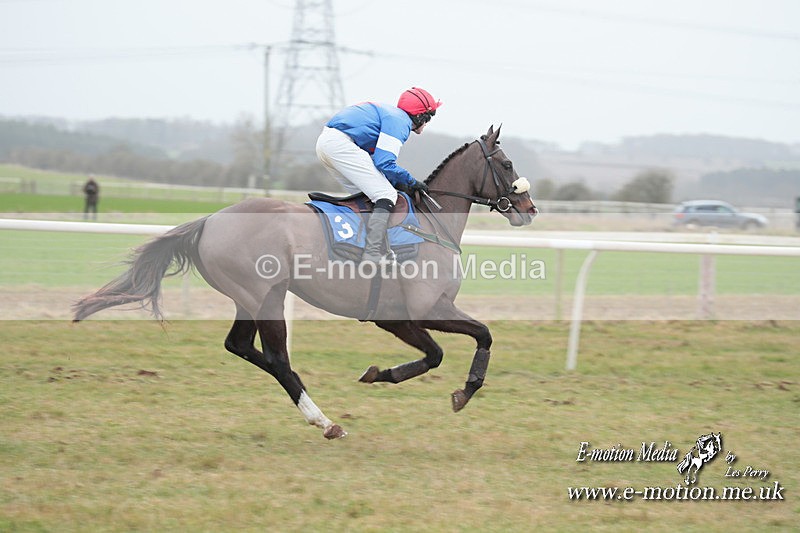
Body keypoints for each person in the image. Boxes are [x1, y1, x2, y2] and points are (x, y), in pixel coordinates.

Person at [316, 87, 442, 262]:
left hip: (328, 143)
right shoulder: (400, 122)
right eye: (428, 117)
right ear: (420, 116)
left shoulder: (393, 116)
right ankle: (372, 252)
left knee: (370, 195)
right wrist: (411, 181)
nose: (427, 123)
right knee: (385, 194)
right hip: (340, 145)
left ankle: (357, 244)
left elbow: (379, 163)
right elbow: (385, 163)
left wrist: (399, 181)